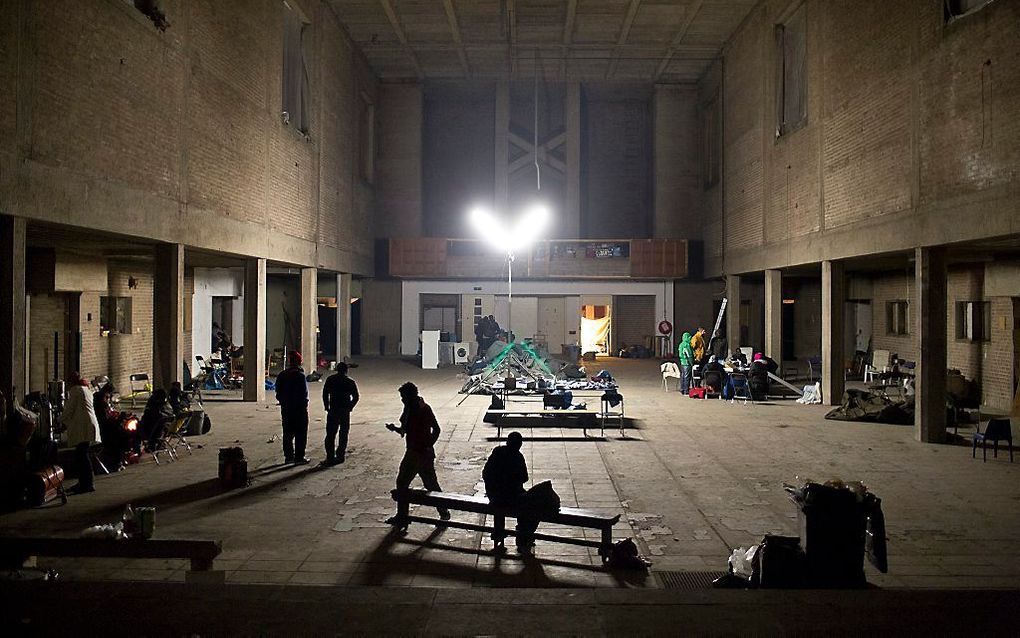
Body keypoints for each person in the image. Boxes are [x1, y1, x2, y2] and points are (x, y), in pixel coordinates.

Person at [388, 382, 450, 520]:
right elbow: (407, 429)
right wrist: (396, 429)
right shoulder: (412, 408)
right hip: (421, 452)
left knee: (403, 483)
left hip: (416, 452)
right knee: (431, 484)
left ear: (410, 396)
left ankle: (402, 515)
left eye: (403, 397)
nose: (402, 399)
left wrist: (427, 444)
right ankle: (444, 512)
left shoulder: (421, 410)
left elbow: (437, 429)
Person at [483, 431, 541, 553]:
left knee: (499, 509)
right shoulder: (517, 456)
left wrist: (492, 488)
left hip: (495, 495)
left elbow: (486, 473)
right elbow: (525, 478)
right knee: (530, 506)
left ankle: (499, 534)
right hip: (512, 495)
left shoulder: (497, 452)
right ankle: (522, 534)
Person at [61, 372, 101, 494]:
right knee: (83, 454)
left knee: (82, 455)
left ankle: (87, 483)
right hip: (88, 424)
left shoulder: (75, 391)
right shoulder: (86, 389)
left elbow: (69, 409)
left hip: (83, 425)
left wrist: (60, 420)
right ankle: (85, 482)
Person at [275, 350, 310, 464]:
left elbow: (278, 392)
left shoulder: (282, 375)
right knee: (301, 433)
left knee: (287, 433)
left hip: (286, 408)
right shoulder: (300, 376)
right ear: (299, 362)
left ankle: (289, 457)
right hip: (299, 409)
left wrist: (284, 402)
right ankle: (299, 458)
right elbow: (304, 393)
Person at [321, 362, 359, 467]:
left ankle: (330, 457)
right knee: (343, 433)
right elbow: (356, 397)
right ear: (346, 370)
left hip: (333, 410)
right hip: (344, 411)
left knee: (330, 434)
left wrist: (326, 406)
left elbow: (325, 393)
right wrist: (350, 407)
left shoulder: (331, 379)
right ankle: (340, 455)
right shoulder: (350, 382)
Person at [93, 383, 126, 470]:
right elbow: (106, 422)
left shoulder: (102, 403)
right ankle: (117, 462)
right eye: (107, 397)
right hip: (105, 430)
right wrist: (118, 419)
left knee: (121, 432)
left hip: (107, 427)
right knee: (119, 436)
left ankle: (120, 459)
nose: (108, 399)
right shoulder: (100, 406)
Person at [140, 388, 174, 454]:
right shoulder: (167, 409)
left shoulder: (153, 412)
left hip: (151, 434)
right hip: (163, 432)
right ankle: (159, 444)